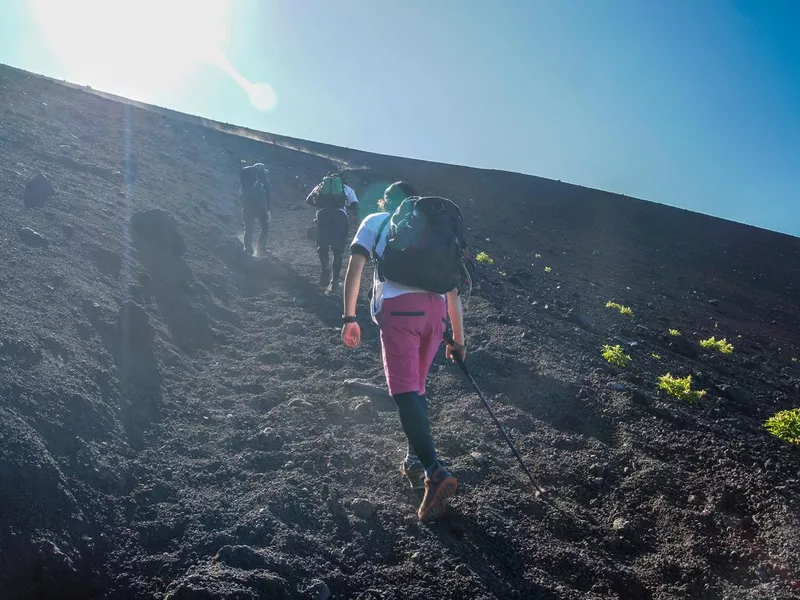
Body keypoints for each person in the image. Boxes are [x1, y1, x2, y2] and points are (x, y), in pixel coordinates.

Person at [340, 182, 467, 523]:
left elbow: (356, 267)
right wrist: (457, 339)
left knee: (404, 391)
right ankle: (414, 459)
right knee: (418, 389)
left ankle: (434, 471)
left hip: (400, 311)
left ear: (387, 202)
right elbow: (453, 288)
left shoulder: (376, 221)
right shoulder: (432, 230)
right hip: (435, 313)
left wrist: (350, 316)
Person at [306, 171, 360, 293]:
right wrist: (345, 205)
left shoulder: (320, 186)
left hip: (322, 215)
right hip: (340, 216)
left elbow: (308, 200)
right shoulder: (346, 188)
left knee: (323, 247)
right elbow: (355, 205)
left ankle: (325, 267)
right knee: (338, 252)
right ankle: (334, 281)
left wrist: (321, 205)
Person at [239, 162, 271, 256]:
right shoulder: (264, 180)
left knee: (248, 227)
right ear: (261, 171)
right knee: (265, 226)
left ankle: (248, 249)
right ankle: (261, 248)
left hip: (247, 207)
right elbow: (268, 196)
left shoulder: (245, 180)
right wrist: (268, 210)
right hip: (259, 208)